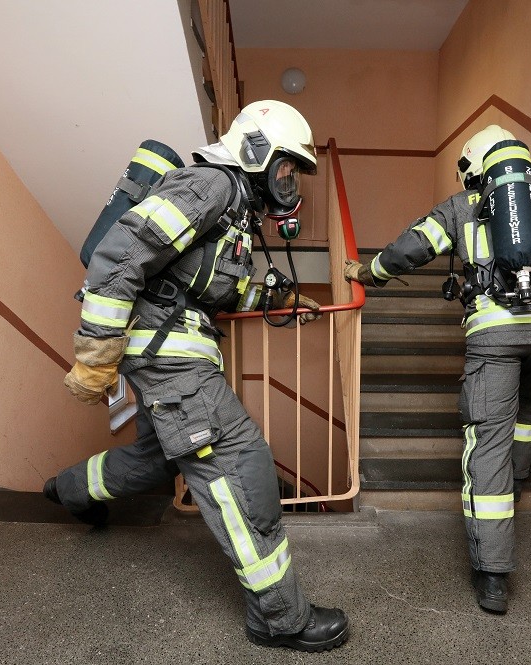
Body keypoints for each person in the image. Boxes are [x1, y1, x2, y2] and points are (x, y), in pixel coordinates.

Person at [46, 100, 349, 652]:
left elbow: (215, 290)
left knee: (158, 458)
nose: (289, 182)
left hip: (175, 352)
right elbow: (120, 254)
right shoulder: (210, 186)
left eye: (294, 174)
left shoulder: (234, 213)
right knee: (239, 462)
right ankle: (279, 617)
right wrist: (95, 354)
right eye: (285, 167)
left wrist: (278, 299)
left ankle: (69, 489)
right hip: (170, 358)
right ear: (255, 152)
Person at [344, 125, 531, 614]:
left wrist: (367, 272)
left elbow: (410, 249)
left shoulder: (461, 207)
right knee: (530, 403)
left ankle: (493, 573)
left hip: (496, 335)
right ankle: (518, 478)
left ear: (472, 167)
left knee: (488, 441)